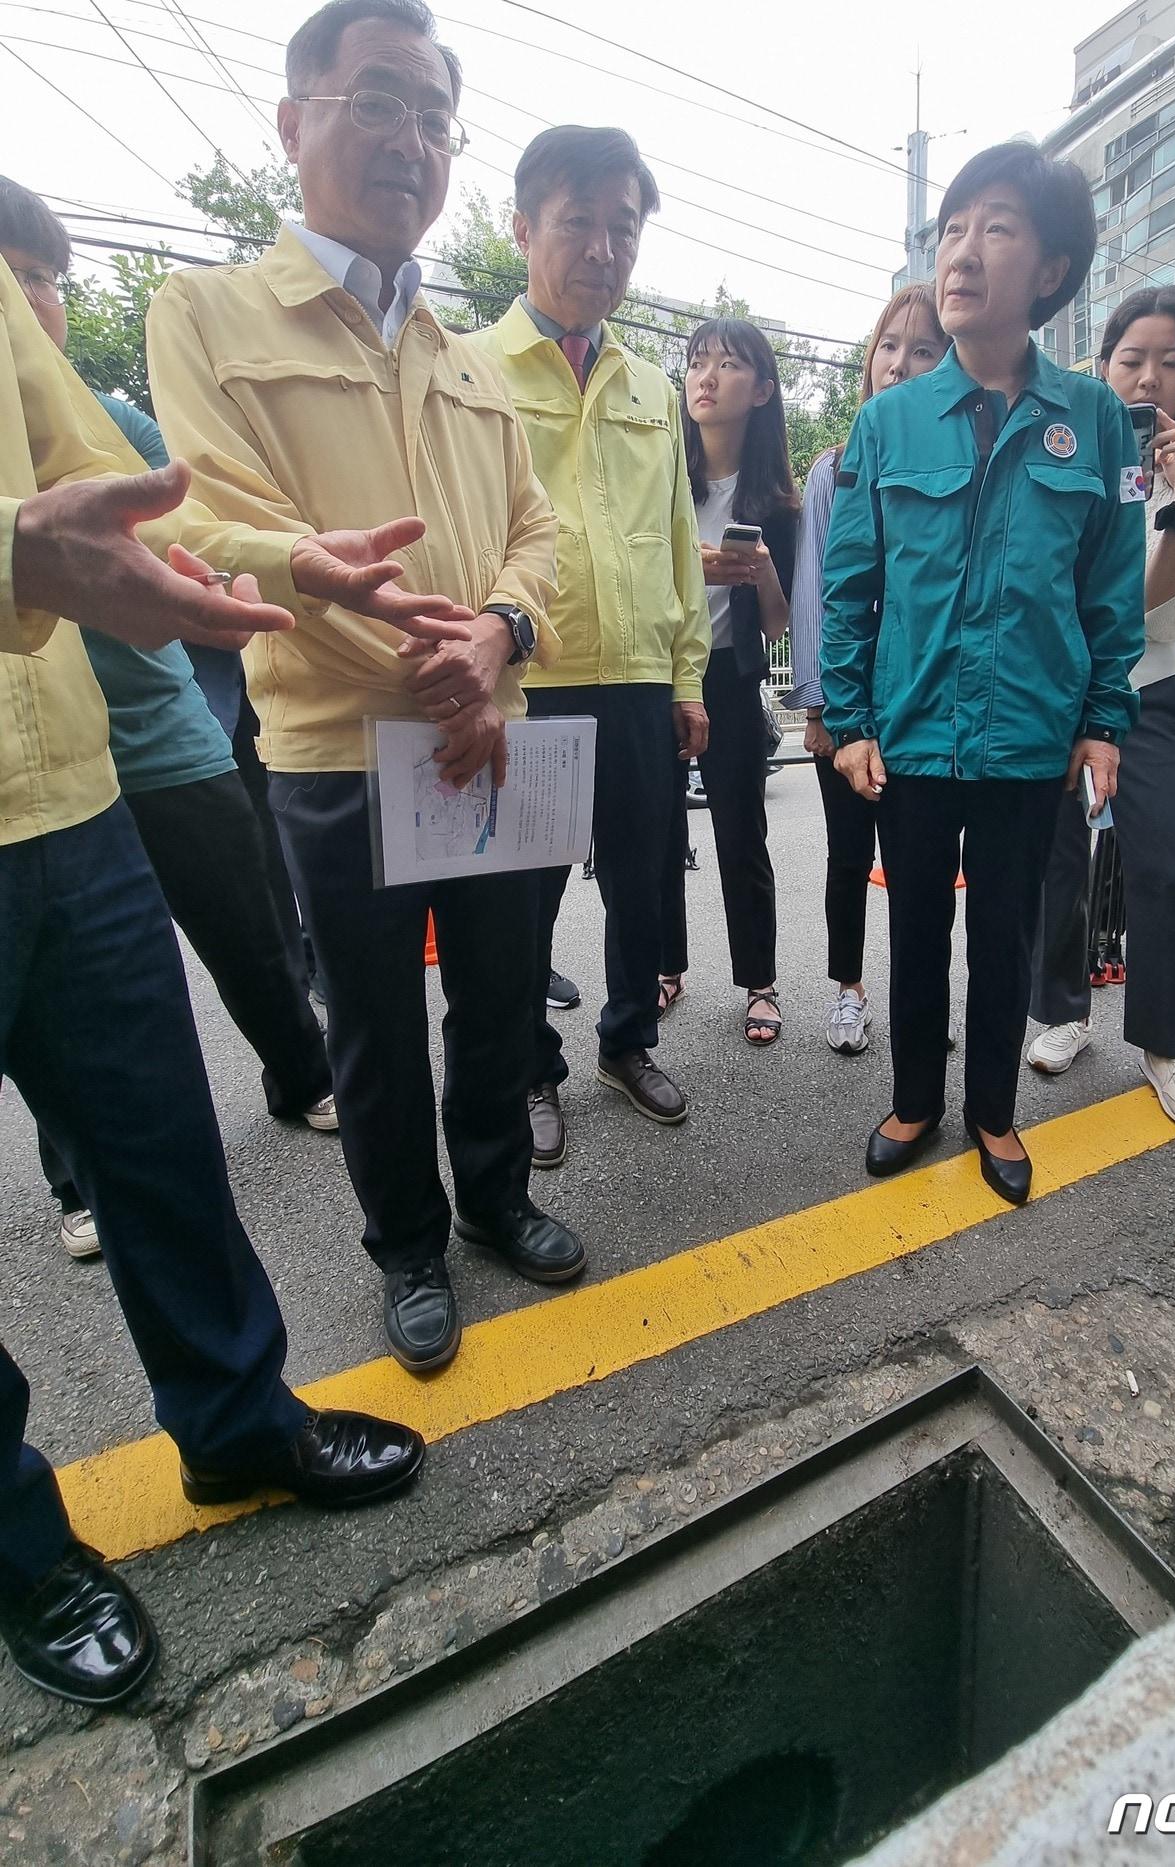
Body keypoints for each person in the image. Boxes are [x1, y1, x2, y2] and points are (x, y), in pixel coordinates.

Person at [0, 263, 457, 1708]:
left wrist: (264, 568)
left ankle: (236, 1418)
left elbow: (110, 486)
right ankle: (16, 1549)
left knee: (162, 1149)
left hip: (70, 796)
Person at [147, 0, 585, 1374]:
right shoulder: (207, 313)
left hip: (486, 733)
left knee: (504, 995)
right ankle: (407, 1244)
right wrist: (420, 656)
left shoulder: (462, 351)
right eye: (379, 100)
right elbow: (203, 526)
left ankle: (500, 1197)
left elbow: (542, 531)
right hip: (341, 752)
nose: (413, 139)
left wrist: (502, 636)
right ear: (295, 122)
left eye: (436, 114)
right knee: (378, 1022)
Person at [0, 183, 337, 1259]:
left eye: (46, 276)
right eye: (14, 276)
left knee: (249, 928)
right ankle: (76, 1178)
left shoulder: (112, 424)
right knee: (58, 1011)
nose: (31, 300)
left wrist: (265, 569)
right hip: (32, 779)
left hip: (161, 741)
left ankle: (305, 1071)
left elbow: (201, 520)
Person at [822, 142, 1145, 1202]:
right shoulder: (887, 420)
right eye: (952, 229)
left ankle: (993, 1114)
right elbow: (850, 585)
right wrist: (849, 717)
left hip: (1026, 737)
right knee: (915, 927)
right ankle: (916, 1097)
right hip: (910, 735)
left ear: (1049, 270)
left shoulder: (1090, 418)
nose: (961, 253)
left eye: (994, 228)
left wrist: (1101, 718)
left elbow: (1108, 582)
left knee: (1004, 935)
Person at [478, 126, 709, 1169]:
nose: (603, 248)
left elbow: (674, 547)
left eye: (624, 227)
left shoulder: (652, 389)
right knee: (518, 897)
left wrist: (687, 674)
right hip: (528, 683)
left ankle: (627, 1040)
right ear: (523, 228)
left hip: (636, 683)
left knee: (640, 880)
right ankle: (532, 1066)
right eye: (579, 222)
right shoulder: (470, 371)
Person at [1028, 286, 1175, 1132]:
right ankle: (1065, 1011)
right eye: (1131, 358)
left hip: (1147, 684)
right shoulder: (1067, 449)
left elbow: (1166, 612)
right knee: (1059, 861)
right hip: (1056, 686)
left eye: (1172, 359)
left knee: (1158, 864)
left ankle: (1167, 1044)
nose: (1149, 376)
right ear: (1104, 364)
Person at [785, 283, 946, 1054]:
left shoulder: (967, 465)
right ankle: (847, 992)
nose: (900, 364)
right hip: (851, 702)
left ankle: (924, 1000)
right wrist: (821, 708)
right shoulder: (836, 466)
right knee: (850, 854)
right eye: (888, 346)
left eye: (923, 350)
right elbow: (818, 587)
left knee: (923, 867)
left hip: (925, 703)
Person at [658, 317, 798, 1045]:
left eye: (727, 364)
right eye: (697, 363)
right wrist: (688, 563)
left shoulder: (778, 501)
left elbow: (777, 626)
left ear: (762, 388)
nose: (705, 377)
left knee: (742, 833)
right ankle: (665, 966)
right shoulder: (660, 477)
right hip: (655, 674)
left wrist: (764, 568)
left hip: (729, 679)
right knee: (655, 832)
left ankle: (760, 982)